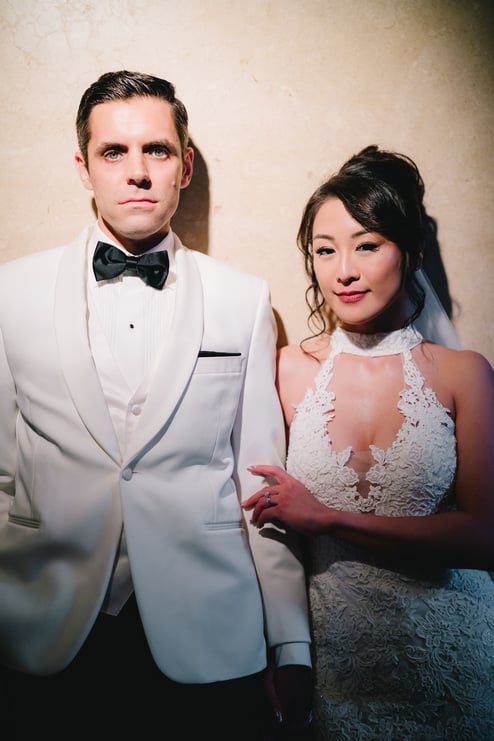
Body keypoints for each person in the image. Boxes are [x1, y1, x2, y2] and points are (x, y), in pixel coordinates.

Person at [0, 70, 313, 740]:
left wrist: (290, 643)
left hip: (209, 634)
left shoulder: (245, 300)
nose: (137, 171)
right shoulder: (9, 292)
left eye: (157, 150)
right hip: (40, 633)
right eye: (114, 151)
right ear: (84, 168)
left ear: (185, 167)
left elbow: (262, 489)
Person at [243, 145, 494, 739]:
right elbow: (258, 524)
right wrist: (282, 650)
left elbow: (485, 536)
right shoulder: (285, 370)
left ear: (412, 254)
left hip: (453, 659)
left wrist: (329, 519)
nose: (344, 271)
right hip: (335, 669)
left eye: (367, 245)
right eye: (325, 250)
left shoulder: (464, 374)